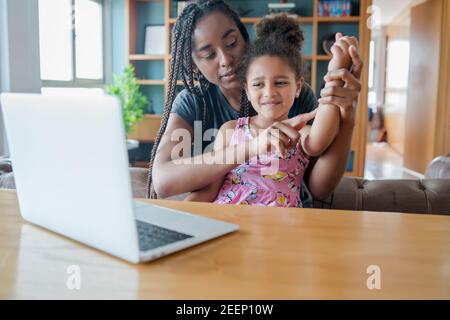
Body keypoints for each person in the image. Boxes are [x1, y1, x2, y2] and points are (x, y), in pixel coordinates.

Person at [148, 0, 363, 205]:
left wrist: (344, 112)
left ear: (245, 40)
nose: (225, 60)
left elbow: (319, 188)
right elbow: (165, 182)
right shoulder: (196, 105)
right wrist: (253, 146)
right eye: (208, 54)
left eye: (231, 43)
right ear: (194, 64)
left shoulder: (293, 95)